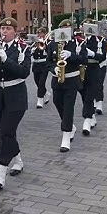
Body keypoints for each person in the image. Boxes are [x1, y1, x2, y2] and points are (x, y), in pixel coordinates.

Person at [0, 18, 30, 189]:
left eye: (8, 29)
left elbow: (24, 72)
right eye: (2, 28)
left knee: (6, 132)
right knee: (3, 133)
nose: (4, 32)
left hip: (15, 96)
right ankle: (17, 159)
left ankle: (0, 173)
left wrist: (6, 60)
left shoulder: (23, 48)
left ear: (15, 31)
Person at [45, 19, 87, 153]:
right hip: (57, 80)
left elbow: (84, 59)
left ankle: (66, 136)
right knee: (58, 104)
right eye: (63, 28)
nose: (66, 31)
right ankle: (70, 126)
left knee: (68, 107)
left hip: (72, 80)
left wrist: (71, 55)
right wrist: (54, 69)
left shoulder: (78, 43)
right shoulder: (53, 44)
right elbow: (48, 62)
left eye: (68, 29)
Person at [77, 20, 106, 136]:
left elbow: (102, 56)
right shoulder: (78, 40)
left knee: (89, 96)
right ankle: (91, 115)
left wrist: (92, 54)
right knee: (83, 94)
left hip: (93, 69)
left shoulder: (100, 40)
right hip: (80, 69)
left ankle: (87, 120)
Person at [31, 27, 50, 108]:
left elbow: (49, 52)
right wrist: (32, 49)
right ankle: (46, 93)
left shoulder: (48, 42)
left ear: (44, 34)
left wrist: (45, 47)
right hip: (36, 65)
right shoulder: (34, 42)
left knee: (41, 82)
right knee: (37, 82)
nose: (39, 34)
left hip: (44, 64)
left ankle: (40, 100)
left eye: (41, 33)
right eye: (38, 33)